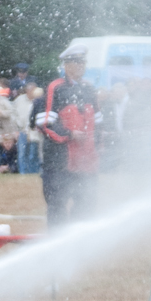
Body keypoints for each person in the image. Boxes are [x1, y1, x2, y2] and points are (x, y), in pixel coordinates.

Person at [31, 44, 102, 226]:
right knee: (57, 208)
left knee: (86, 207)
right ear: (66, 65)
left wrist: (97, 147)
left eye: (83, 62)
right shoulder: (55, 88)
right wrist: (69, 134)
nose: (81, 66)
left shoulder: (89, 89)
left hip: (86, 163)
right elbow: (45, 125)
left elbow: (99, 123)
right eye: (76, 62)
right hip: (59, 163)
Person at [13, 83, 41, 174]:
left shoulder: (39, 101)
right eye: (31, 90)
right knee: (22, 154)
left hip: (34, 132)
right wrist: (16, 128)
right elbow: (13, 114)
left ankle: (33, 173)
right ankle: (23, 173)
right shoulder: (19, 100)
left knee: (33, 154)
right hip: (22, 131)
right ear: (27, 91)